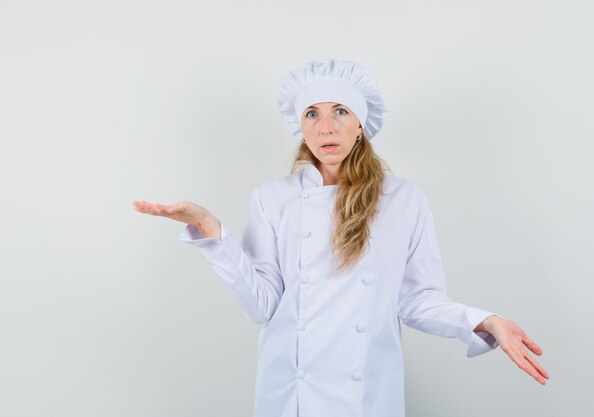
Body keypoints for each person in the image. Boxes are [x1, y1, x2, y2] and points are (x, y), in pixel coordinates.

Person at [132, 58, 549, 417]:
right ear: (299, 126)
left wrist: (484, 320)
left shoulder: (404, 200)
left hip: (365, 395)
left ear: (362, 124)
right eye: (311, 113)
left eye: (340, 112)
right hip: (292, 396)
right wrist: (211, 231)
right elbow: (262, 306)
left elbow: (417, 299)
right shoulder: (272, 199)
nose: (326, 127)